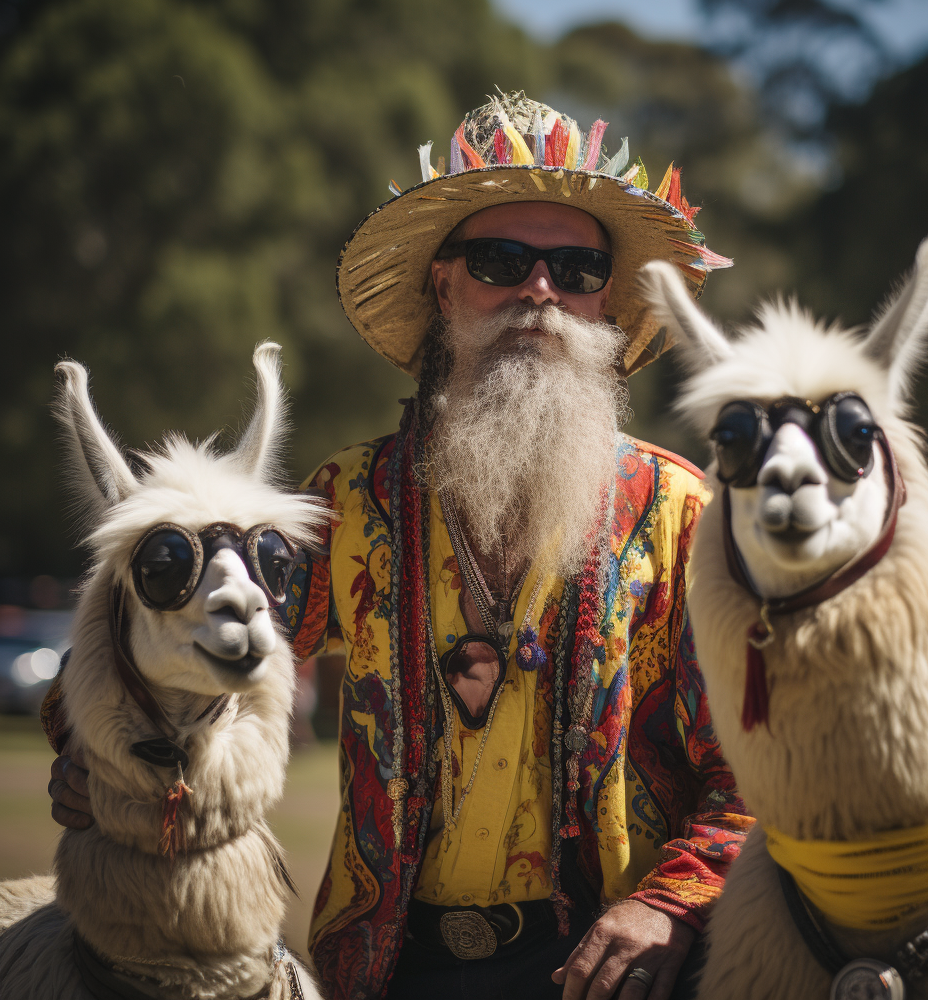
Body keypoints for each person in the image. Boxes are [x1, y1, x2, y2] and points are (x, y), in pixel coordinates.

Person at [47, 93, 754, 1000]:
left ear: (606, 300)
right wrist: (93, 744)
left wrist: (669, 905)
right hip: (390, 968)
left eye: (576, 268)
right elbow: (181, 642)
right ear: (444, 284)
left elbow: (760, 764)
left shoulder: (681, 513)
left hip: (612, 968)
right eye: (502, 261)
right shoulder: (346, 504)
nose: (541, 292)